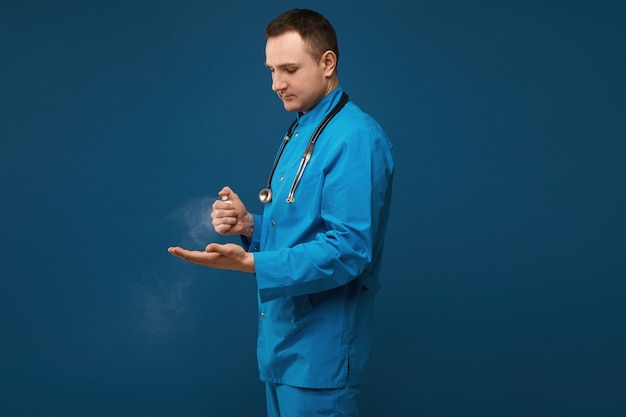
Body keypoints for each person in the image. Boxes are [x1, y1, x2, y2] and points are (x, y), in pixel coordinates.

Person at [168, 8, 394, 417]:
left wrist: (253, 263)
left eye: (289, 69)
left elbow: (349, 249)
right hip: (282, 350)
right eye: (271, 70)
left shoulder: (355, 137)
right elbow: (300, 227)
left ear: (328, 63)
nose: (276, 84)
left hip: (319, 357)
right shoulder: (301, 129)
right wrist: (250, 227)